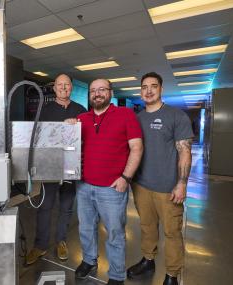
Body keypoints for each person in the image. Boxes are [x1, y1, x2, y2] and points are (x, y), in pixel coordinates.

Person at [68, 79, 143, 285]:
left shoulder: (125, 115)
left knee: (115, 233)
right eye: (93, 91)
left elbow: (136, 148)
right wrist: (68, 128)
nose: (97, 93)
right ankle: (89, 260)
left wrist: (125, 178)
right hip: (83, 186)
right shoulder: (82, 118)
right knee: (85, 228)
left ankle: (117, 275)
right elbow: (68, 147)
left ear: (110, 92)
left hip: (113, 188)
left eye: (102, 89)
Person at [127, 72, 193, 285]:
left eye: (153, 86)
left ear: (161, 89)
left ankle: (172, 274)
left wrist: (182, 183)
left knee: (172, 232)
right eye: (144, 87)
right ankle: (148, 260)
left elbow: (184, 151)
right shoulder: (137, 118)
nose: (148, 90)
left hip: (168, 188)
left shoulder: (176, 116)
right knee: (147, 227)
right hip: (141, 186)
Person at [25, 74, 87, 265]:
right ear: (54, 88)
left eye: (67, 85)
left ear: (71, 88)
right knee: (45, 207)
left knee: (66, 208)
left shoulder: (81, 110)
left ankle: (61, 241)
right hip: (50, 166)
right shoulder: (45, 110)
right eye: (60, 85)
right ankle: (40, 245)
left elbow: (87, 138)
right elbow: (37, 138)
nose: (63, 88)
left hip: (71, 167)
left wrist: (78, 126)